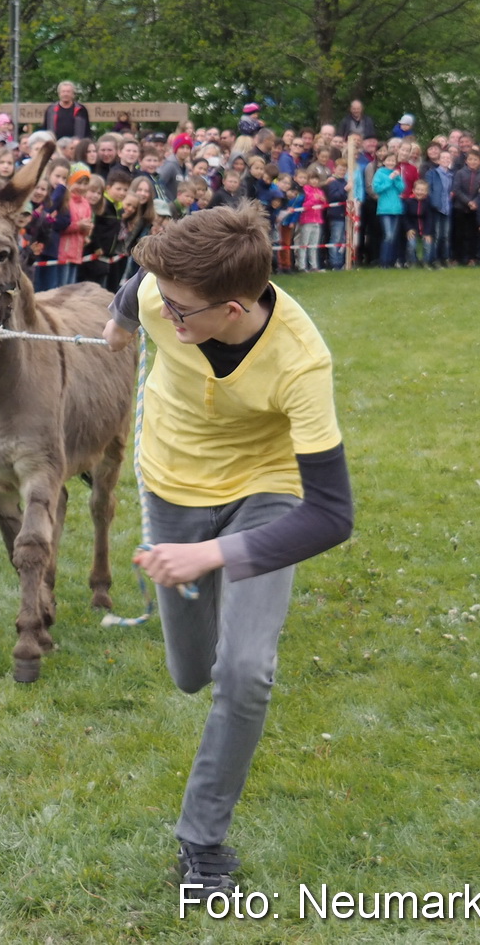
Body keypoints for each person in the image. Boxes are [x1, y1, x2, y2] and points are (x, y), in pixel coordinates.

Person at [100, 202, 353, 897]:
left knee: (243, 669)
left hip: (265, 490)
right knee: (191, 672)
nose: (168, 317)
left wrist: (213, 557)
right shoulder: (160, 292)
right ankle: (200, 641)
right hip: (173, 482)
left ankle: (202, 843)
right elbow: (138, 288)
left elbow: (333, 515)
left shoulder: (302, 362)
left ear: (234, 308)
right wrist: (119, 325)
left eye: (182, 312)